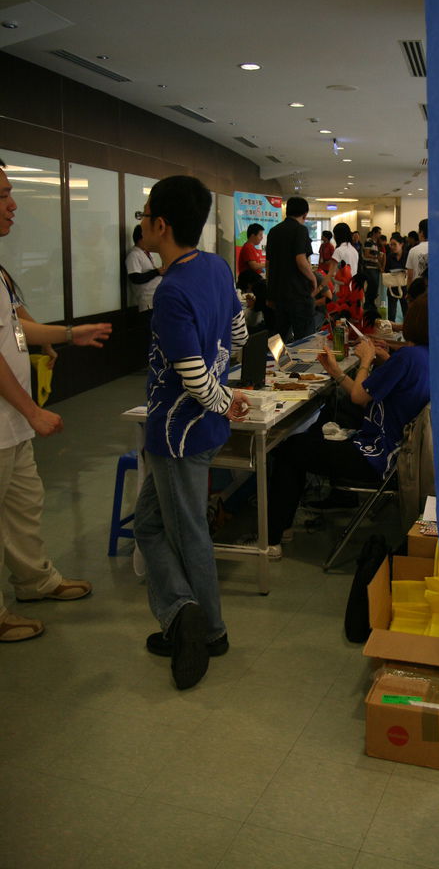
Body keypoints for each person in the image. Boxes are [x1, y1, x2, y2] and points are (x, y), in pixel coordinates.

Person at [132, 175, 249, 690]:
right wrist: (228, 394)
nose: (141, 222)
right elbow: (239, 333)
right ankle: (183, 611)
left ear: (161, 224)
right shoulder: (217, 267)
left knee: (187, 533)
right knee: (149, 524)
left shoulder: (171, 291)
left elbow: (193, 377)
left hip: (178, 434)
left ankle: (208, 629)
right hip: (203, 428)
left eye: (144, 214)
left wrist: (223, 399)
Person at [0, 160, 112, 643]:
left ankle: (35, 582)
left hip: (11, 423)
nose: (13, 205)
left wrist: (69, 334)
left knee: (24, 505)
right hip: (11, 416)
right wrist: (32, 410)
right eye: (2, 195)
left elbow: (16, 328)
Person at [265, 293, 430, 553]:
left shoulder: (407, 357)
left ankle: (272, 539)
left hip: (377, 457)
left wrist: (363, 362)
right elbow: (400, 385)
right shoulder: (427, 357)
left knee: (289, 449)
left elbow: (359, 397)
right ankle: (330, 498)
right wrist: (380, 362)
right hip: (396, 451)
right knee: (332, 415)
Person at [265, 196, 317, 342]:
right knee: (305, 340)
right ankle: (303, 359)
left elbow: (268, 264)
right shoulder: (300, 230)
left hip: (279, 295)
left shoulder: (273, 231)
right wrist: (313, 278)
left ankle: (278, 358)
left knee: (280, 340)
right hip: (298, 294)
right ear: (305, 214)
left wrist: (270, 293)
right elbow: (301, 259)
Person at [126, 224, 164, 365]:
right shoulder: (134, 255)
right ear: (141, 238)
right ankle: (150, 363)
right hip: (147, 302)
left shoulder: (147, 254)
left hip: (156, 300)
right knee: (150, 335)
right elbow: (135, 278)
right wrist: (157, 272)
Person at [385, 235, 408, 322]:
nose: (392, 247)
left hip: (405, 287)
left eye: (394, 244)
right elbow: (386, 271)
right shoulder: (389, 257)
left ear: (401, 244)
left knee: (406, 311)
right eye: (391, 245)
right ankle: (392, 328)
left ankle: (407, 328)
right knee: (391, 314)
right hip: (392, 287)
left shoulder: (407, 256)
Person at [362, 226, 384, 308]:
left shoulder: (376, 243)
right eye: (379, 233)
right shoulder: (369, 241)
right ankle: (368, 303)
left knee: (375, 286)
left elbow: (376, 258)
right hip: (369, 267)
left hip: (375, 267)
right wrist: (376, 257)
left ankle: (371, 303)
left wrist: (380, 267)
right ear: (374, 233)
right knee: (372, 285)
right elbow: (366, 254)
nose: (380, 234)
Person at [406, 218, 428, 286]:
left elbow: (410, 276)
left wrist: (408, 290)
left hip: (418, 289)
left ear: (421, 233)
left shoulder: (413, 251)